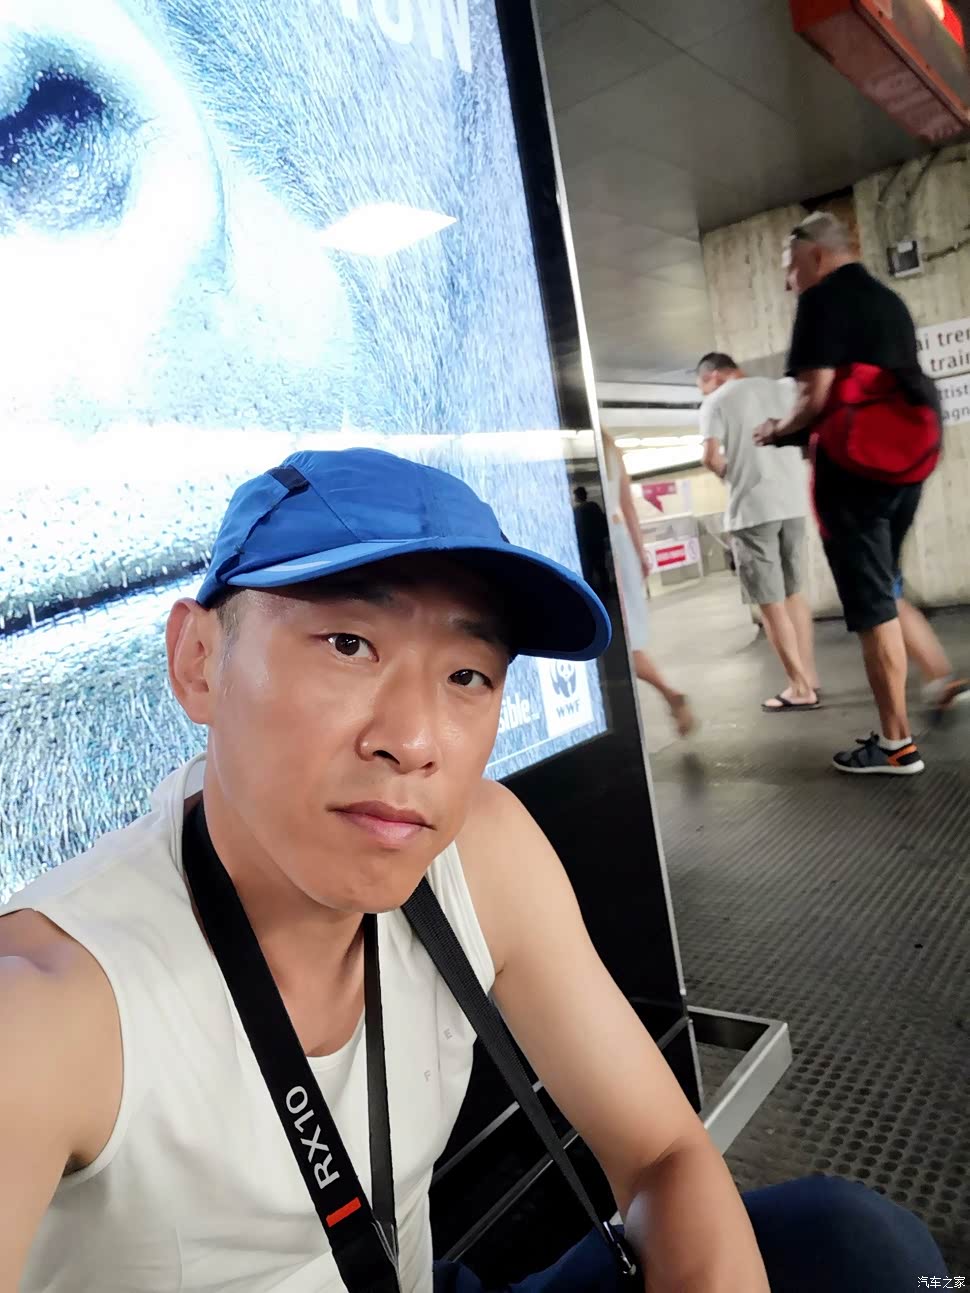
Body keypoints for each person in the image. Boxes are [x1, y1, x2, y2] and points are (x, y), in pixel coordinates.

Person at [0, 448, 949, 1292]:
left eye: (468, 675)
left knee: (857, 1245)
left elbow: (664, 1150)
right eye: (349, 644)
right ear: (198, 661)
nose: (415, 740)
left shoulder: (476, 849)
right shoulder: (54, 1007)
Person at [756, 211, 968, 775]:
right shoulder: (888, 300)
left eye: (790, 267)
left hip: (853, 472)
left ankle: (897, 746)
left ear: (814, 254)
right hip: (909, 464)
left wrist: (778, 430)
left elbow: (815, 396)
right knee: (885, 587)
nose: (789, 281)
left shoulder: (821, 300)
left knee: (873, 607)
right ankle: (937, 678)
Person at [697, 354, 819, 714]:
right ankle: (809, 676)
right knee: (794, 593)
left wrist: (731, 475)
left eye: (701, 385)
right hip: (793, 503)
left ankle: (799, 688)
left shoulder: (715, 401)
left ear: (713, 376)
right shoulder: (783, 389)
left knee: (770, 601)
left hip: (752, 510)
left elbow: (710, 457)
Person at [603, 437, 695, 737]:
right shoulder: (611, 446)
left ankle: (667, 693)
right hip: (622, 541)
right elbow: (628, 507)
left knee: (617, 639)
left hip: (602, 543)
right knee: (624, 636)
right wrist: (640, 553)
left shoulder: (582, 441)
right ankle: (667, 695)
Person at [572, 485, 611, 595]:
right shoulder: (594, 507)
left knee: (588, 571)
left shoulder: (577, 511)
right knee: (601, 568)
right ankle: (607, 590)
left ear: (577, 497)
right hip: (598, 543)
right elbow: (602, 522)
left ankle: (591, 594)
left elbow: (578, 529)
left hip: (585, 545)